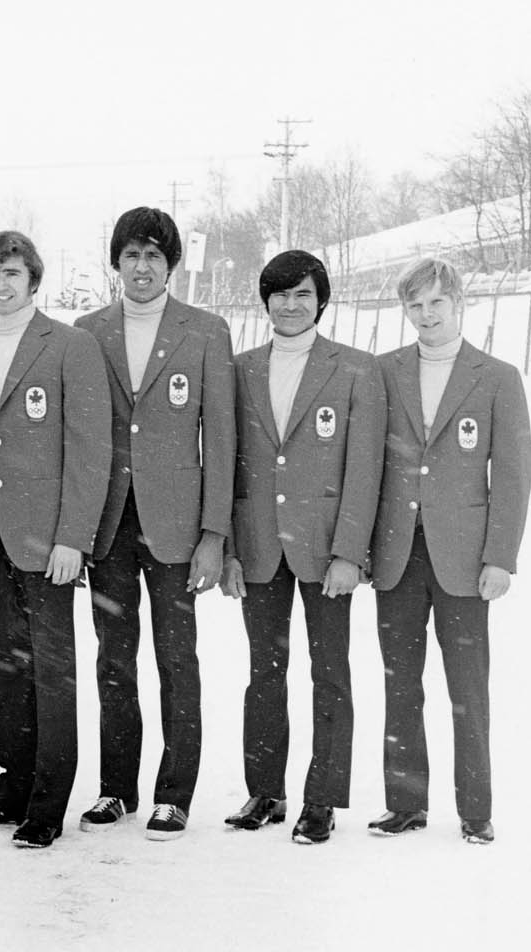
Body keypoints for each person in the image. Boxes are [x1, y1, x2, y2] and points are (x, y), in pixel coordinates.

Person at [74, 207, 235, 840]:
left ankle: (175, 792)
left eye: (154, 256)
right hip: (108, 525)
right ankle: (117, 788)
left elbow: (219, 438)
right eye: (131, 256)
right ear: (116, 263)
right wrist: (76, 529)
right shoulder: (87, 331)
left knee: (176, 659)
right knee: (114, 659)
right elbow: (79, 438)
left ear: (169, 264)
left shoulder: (204, 331)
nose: (142, 268)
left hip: (176, 527)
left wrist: (214, 535)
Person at [0, 230, 112, 848]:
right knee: (8, 670)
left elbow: (90, 451)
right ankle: (12, 785)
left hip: (49, 543)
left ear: (33, 279)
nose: (1, 284)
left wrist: (74, 537)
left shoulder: (70, 346)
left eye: (12, 273)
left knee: (52, 673)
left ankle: (47, 803)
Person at [219, 251, 385, 844]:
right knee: (263, 673)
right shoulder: (238, 369)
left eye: (304, 295)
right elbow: (227, 462)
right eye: (280, 295)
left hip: (324, 549)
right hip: (259, 543)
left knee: (329, 672)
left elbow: (364, 469)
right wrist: (231, 548)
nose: (291, 306)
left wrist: (349, 552)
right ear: (265, 302)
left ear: (321, 301)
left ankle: (322, 797)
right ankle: (265, 790)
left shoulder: (356, 370)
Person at [368, 257, 531, 845]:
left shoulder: (496, 376)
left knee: (468, 685)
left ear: (459, 303)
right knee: (400, 682)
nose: (426, 315)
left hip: (464, 557)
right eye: (415, 305)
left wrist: (500, 557)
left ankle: (475, 808)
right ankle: (406, 802)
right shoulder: (385, 371)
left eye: (437, 303)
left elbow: (512, 476)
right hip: (397, 554)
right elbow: (367, 465)